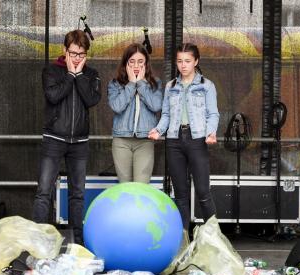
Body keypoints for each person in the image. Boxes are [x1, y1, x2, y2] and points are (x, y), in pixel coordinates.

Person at [33, 29, 101, 245]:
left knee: (77, 194)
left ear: (86, 54)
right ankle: (38, 241)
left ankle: (77, 243)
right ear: (65, 50)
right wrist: (71, 75)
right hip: (54, 138)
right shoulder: (52, 71)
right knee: (44, 191)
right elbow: (53, 96)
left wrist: (79, 75)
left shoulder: (91, 74)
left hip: (79, 142)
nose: (76, 58)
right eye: (73, 53)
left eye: (81, 54)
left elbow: (91, 99)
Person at [148, 42, 219, 232]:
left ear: (196, 61)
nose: (183, 65)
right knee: (180, 194)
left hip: (197, 139)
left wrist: (211, 132)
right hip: (174, 140)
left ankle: (214, 237)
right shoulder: (171, 86)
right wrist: (158, 130)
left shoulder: (207, 86)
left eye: (187, 61)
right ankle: (183, 240)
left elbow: (213, 114)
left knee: (203, 192)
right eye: (180, 61)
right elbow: (166, 115)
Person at [108, 43, 163, 183]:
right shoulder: (115, 84)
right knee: (125, 187)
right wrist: (131, 84)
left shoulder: (155, 83)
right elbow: (116, 107)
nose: (136, 66)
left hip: (145, 141)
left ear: (146, 64)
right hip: (121, 141)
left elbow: (156, 106)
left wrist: (141, 84)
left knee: (141, 187)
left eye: (140, 61)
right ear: (125, 64)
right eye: (131, 62)